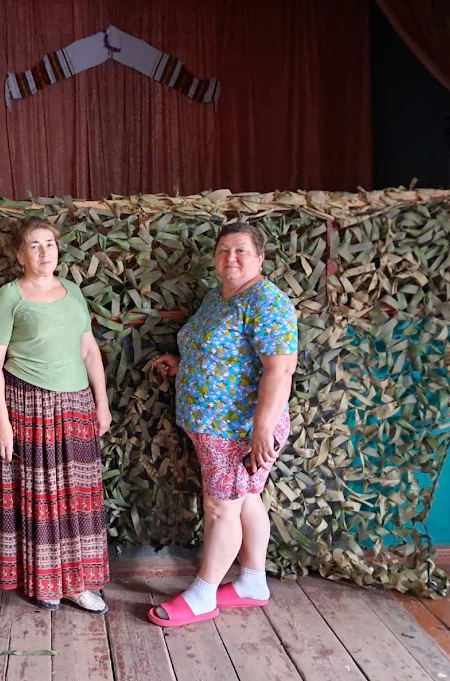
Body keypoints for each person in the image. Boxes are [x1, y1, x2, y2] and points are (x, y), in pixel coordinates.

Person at [148, 221, 298, 627]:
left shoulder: (266, 301)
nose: (230, 257)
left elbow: (280, 369)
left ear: (260, 258)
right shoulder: (219, 296)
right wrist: (184, 365)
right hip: (213, 425)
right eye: (223, 250)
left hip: (238, 430)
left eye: (241, 250)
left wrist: (262, 428)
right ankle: (252, 583)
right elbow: (222, 353)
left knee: (221, 508)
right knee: (246, 499)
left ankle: (203, 595)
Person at [0, 218, 112, 614]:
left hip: (76, 406)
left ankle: (78, 583)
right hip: (29, 406)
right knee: (40, 497)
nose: (44, 252)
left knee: (77, 498)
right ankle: (45, 584)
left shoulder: (73, 291)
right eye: (34, 245)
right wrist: (0, 421)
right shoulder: (9, 296)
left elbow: (88, 349)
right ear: (20, 255)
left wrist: (102, 403)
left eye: (50, 244)